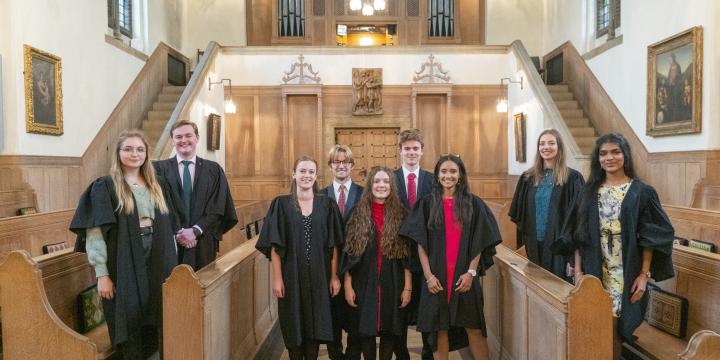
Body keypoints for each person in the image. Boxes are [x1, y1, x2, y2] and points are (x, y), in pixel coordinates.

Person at [70, 130, 178, 359]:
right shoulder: (105, 187)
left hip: (158, 253)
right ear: (118, 154)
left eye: (140, 149)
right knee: (127, 313)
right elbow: (95, 234)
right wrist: (102, 275)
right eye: (128, 149)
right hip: (123, 255)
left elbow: (168, 228)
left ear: (146, 154)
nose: (134, 154)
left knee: (156, 309)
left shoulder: (157, 185)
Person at [576, 133, 674, 359]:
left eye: (615, 152)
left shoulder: (641, 192)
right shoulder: (589, 191)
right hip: (594, 268)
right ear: (597, 159)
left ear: (625, 155)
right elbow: (577, 234)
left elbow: (650, 236)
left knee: (614, 329)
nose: (609, 158)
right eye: (603, 153)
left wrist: (643, 275)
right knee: (595, 325)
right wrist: (579, 272)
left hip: (625, 270)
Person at [400, 154, 501, 360]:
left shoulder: (473, 204)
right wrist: (428, 276)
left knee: (474, 327)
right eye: (444, 171)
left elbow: (479, 241)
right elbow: (420, 244)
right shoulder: (426, 204)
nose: (448, 175)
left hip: (464, 276)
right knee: (439, 330)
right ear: (437, 176)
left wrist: (471, 273)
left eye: (453, 171)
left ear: (461, 175)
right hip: (436, 278)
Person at [256, 156, 344, 360]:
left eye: (311, 172)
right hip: (291, 275)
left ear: (316, 176)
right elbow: (275, 246)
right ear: (294, 174)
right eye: (302, 171)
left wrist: (334, 277)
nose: (306, 175)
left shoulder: (327, 204)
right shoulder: (281, 204)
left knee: (315, 327)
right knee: (294, 325)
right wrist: (277, 278)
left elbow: (334, 246)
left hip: (319, 276)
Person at [340, 167, 412, 360]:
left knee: (390, 329)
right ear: (370, 185)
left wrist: (408, 288)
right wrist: (348, 286)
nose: (381, 185)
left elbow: (408, 255)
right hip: (363, 281)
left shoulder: (401, 214)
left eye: (386, 181)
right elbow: (349, 253)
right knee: (365, 329)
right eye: (377, 181)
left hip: (393, 281)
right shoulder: (357, 213)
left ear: (392, 186)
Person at [153, 120, 238, 270]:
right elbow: (159, 205)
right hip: (170, 241)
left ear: (197, 138)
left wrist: (196, 230)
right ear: (172, 141)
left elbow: (218, 205)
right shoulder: (158, 169)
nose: (184, 140)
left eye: (188, 135)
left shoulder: (213, 170)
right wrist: (180, 233)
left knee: (203, 286)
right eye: (178, 137)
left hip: (203, 240)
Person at [509, 129, 584, 284]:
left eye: (551, 143)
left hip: (560, 246)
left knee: (557, 288)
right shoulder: (528, 178)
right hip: (533, 242)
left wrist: (574, 260)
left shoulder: (572, 178)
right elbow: (519, 214)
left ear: (559, 147)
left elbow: (578, 219)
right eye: (542, 144)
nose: (546, 147)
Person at [392, 128, 434, 360]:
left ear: (422, 151)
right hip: (397, 251)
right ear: (400, 151)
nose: (411, 152)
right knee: (399, 303)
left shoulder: (432, 179)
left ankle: (428, 351)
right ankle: (401, 353)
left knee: (427, 303)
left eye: (415, 148)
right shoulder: (390, 178)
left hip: (426, 250)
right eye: (407, 148)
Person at [322, 144, 364, 360]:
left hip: (357, 265)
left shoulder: (363, 194)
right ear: (330, 166)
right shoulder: (320, 195)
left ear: (352, 166)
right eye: (336, 162)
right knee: (332, 315)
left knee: (355, 312)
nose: (341, 166)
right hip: (329, 264)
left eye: (345, 162)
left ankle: (353, 354)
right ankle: (335, 354)